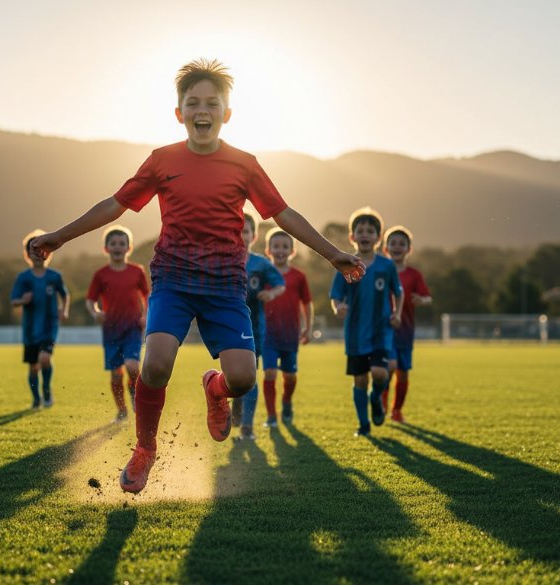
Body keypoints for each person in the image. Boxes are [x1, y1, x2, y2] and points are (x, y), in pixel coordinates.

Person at [28, 58, 364, 494]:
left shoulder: (244, 164)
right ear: (179, 113)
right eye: (192, 102)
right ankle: (145, 448)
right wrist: (59, 236)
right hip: (173, 280)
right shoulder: (162, 160)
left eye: (212, 103)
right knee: (156, 365)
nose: (201, 110)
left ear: (227, 113)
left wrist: (334, 253)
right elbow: (115, 205)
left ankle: (215, 387)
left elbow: (282, 214)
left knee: (242, 379)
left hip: (225, 288)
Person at [330, 208, 402, 436]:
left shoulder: (386, 266)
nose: (365, 234)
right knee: (360, 380)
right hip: (355, 334)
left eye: (370, 231)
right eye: (360, 230)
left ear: (378, 237)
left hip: (381, 331)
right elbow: (335, 296)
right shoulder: (346, 263)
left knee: (380, 374)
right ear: (352, 236)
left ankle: (376, 398)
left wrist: (397, 313)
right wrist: (338, 307)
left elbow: (398, 291)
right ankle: (364, 424)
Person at [86, 225, 150, 423]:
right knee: (116, 374)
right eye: (113, 243)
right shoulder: (101, 274)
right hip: (111, 330)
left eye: (122, 243)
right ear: (106, 248)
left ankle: (134, 394)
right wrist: (95, 312)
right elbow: (90, 299)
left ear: (128, 247)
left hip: (132, 327)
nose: (117, 247)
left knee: (132, 366)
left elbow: (147, 295)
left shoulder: (137, 272)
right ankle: (121, 411)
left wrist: (147, 315)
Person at [232, 214, 285, 440]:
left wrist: (270, 293)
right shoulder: (221, 262)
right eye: (236, 230)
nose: (241, 236)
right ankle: (236, 402)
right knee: (235, 376)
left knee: (250, 375)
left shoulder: (261, 264)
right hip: (227, 328)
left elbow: (280, 284)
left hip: (253, 329)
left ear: (253, 235)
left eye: (245, 231)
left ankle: (247, 426)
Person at [10, 230, 70, 409]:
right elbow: (14, 301)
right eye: (32, 250)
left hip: (49, 326)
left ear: (47, 252)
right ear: (27, 254)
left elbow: (65, 295)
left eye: (40, 249)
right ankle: (36, 399)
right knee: (33, 367)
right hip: (30, 329)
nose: (36, 254)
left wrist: (64, 311)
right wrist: (22, 300)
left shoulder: (55, 276)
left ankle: (46, 391)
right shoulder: (23, 278)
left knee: (45, 359)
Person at [261, 227, 313, 427]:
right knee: (270, 372)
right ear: (269, 250)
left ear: (292, 250)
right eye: (276, 246)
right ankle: (271, 416)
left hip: (290, 335)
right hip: (268, 335)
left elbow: (307, 304)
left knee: (289, 376)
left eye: (285, 247)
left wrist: (308, 328)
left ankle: (287, 400)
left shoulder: (298, 277)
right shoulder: (263, 274)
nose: (280, 250)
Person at [383, 225, 432, 424]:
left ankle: (396, 410)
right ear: (385, 248)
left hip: (406, 331)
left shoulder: (414, 275)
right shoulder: (381, 271)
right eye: (393, 243)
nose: (397, 247)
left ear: (408, 249)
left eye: (401, 244)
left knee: (402, 373)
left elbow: (428, 297)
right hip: (385, 329)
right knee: (389, 367)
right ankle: (382, 401)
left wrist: (421, 300)